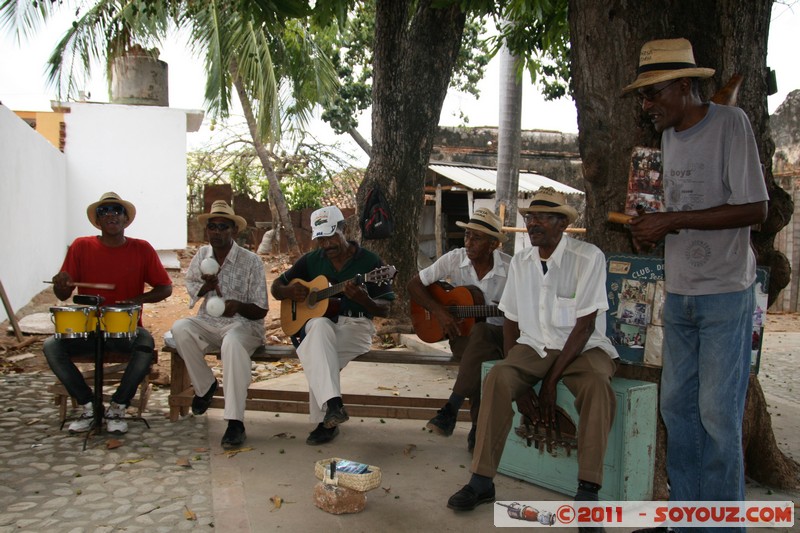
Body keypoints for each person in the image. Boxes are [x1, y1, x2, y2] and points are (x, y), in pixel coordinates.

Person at [623, 38, 769, 510]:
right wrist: (654, 227)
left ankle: (723, 522)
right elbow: (681, 209)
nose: (646, 106)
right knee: (675, 409)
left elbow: (756, 207)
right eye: (643, 96)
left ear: (685, 85)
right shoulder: (668, 138)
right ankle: (689, 513)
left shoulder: (731, 124)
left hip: (726, 293)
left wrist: (672, 221)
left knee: (718, 416)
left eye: (653, 94)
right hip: (680, 289)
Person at [446, 188, 619, 519]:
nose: (533, 223)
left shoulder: (587, 257)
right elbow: (510, 320)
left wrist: (550, 382)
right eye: (530, 217)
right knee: (498, 377)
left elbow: (584, 327)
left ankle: (587, 491)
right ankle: (482, 479)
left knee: (598, 387)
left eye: (542, 217)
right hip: (535, 345)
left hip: (582, 348)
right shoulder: (523, 261)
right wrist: (520, 378)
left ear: (562, 223)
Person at [44, 192, 173, 434]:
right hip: (88, 331)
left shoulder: (142, 249)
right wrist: (60, 286)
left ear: (126, 220)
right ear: (97, 221)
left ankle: (118, 405)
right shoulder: (81, 246)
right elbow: (63, 295)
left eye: (117, 210)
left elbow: (165, 288)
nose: (111, 214)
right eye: (104, 211)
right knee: (52, 346)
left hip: (125, 330)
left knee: (145, 344)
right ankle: (89, 405)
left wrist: (136, 300)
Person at [271, 206, 395, 446]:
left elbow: (386, 308)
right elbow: (276, 287)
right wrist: (287, 290)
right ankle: (333, 409)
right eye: (321, 239)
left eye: (331, 236)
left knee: (316, 354)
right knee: (318, 327)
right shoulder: (311, 260)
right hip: (321, 327)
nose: (326, 245)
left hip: (356, 327)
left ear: (343, 229)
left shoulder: (370, 262)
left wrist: (364, 299)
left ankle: (325, 418)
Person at [407, 207, 510, 452]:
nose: (469, 242)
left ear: (493, 244)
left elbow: (523, 313)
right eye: (467, 236)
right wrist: (440, 311)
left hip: (501, 336)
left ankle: (452, 408)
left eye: (477, 237)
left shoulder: (512, 269)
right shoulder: (455, 258)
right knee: (477, 346)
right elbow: (414, 285)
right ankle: (477, 429)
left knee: (481, 341)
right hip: (462, 334)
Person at [170, 200, 268, 448]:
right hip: (209, 322)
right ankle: (205, 386)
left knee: (232, 344)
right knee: (180, 328)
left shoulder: (251, 261)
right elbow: (192, 289)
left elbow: (260, 309)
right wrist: (207, 286)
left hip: (244, 326)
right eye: (212, 227)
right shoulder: (202, 255)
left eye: (222, 226)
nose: (216, 232)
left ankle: (235, 421)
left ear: (234, 231)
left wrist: (238, 306)